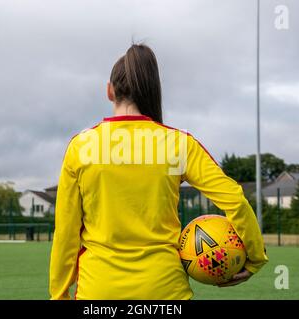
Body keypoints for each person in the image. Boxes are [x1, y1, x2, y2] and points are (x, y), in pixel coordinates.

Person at [49, 43, 268, 300]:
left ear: (109, 91)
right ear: (152, 92)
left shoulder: (81, 147)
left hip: (99, 291)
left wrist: (59, 293)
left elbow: (66, 231)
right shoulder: (178, 145)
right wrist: (254, 258)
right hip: (165, 290)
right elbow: (234, 198)